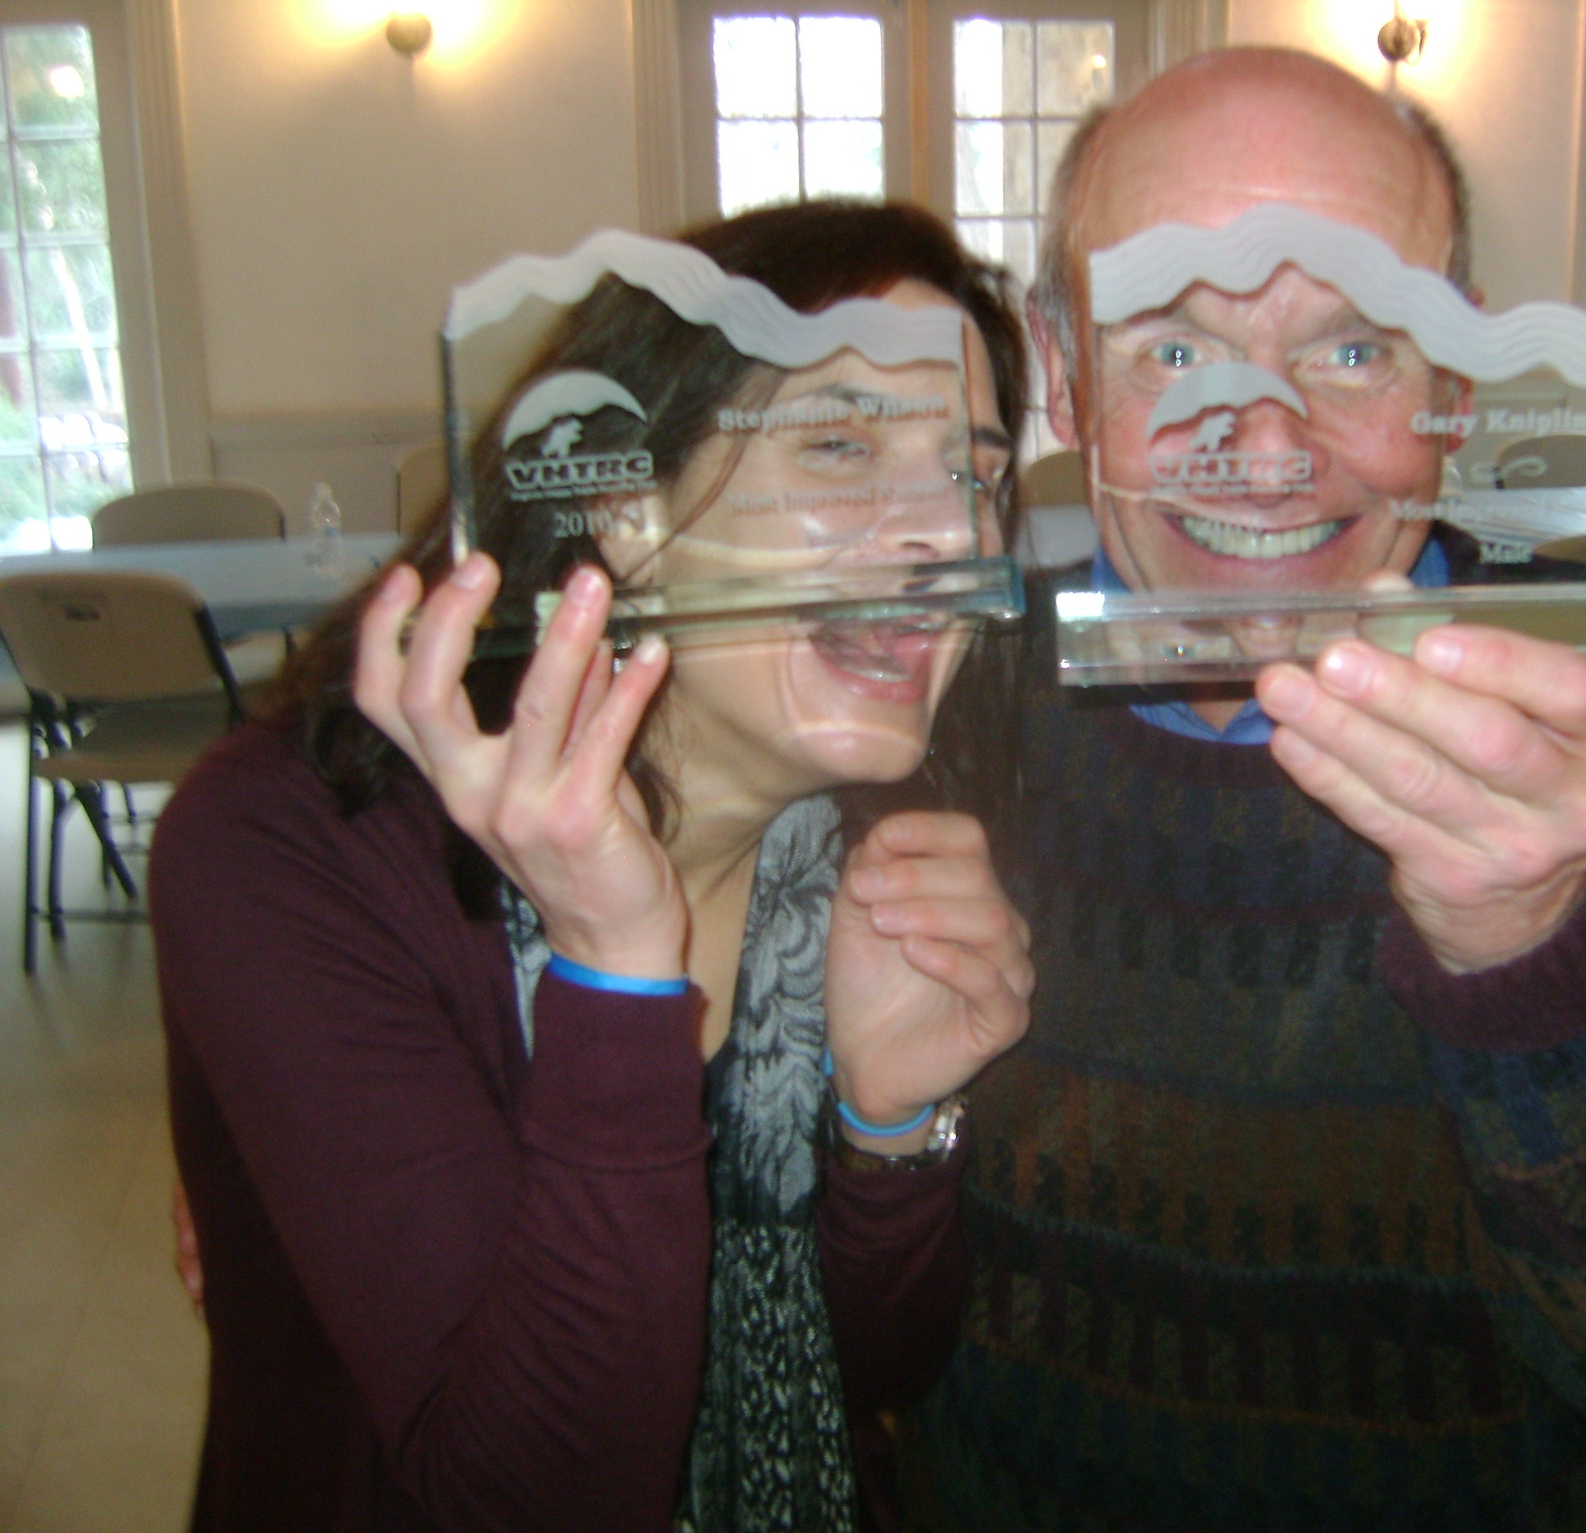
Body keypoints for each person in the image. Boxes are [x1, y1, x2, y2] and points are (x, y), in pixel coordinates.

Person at [899, 49, 1586, 1533]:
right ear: (1064, 371)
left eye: (1356, 347)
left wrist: (1538, 962)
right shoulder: (931, 707)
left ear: (1457, 379)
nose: (1269, 444)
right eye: (1171, 344)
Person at [153, 201, 1034, 1533]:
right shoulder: (294, 845)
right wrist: (621, 983)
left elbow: (878, 1374)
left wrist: (891, 1130)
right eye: (842, 445)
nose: (945, 536)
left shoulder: (894, 843)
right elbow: (527, 1497)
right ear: (620, 502)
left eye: (973, 472)